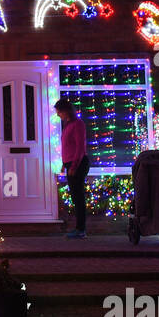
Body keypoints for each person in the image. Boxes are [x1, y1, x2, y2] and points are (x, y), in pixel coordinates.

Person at [55, 100, 89, 239]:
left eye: (59, 111)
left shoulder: (77, 124)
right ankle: (79, 229)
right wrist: (65, 163)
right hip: (71, 163)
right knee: (76, 197)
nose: (58, 115)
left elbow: (80, 148)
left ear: (66, 110)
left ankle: (81, 230)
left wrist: (73, 166)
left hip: (79, 164)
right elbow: (69, 146)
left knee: (78, 197)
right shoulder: (68, 124)